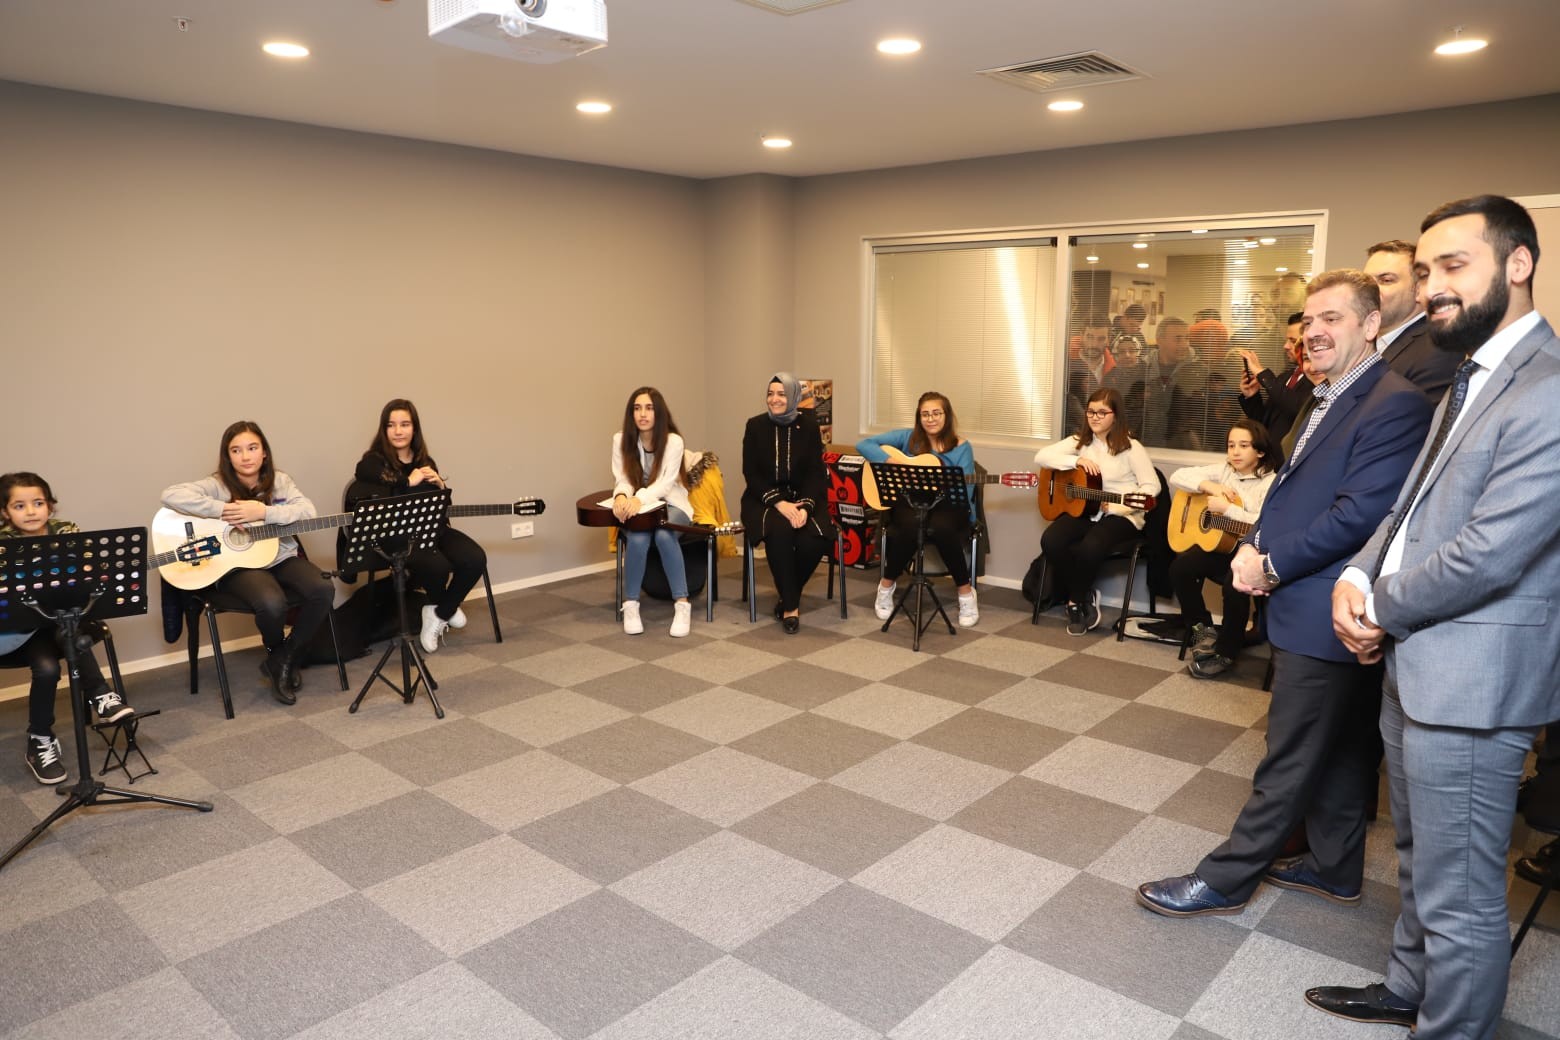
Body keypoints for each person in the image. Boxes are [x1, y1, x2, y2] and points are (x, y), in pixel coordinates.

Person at [1316, 196, 1560, 1040]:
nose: (1431, 288)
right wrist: (1356, 573)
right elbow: (1409, 507)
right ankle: (1408, 988)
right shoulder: (1469, 374)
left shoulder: (1548, 389)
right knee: (1420, 855)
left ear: (1518, 264)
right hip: (1417, 659)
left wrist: (1377, 607)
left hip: (1472, 678)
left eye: (1453, 266)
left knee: (1462, 893)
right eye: (1424, 272)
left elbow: (1490, 554)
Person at [1136, 268, 1431, 921]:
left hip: (1330, 604)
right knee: (1346, 746)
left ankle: (1225, 880)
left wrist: (1269, 564)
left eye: (1333, 318)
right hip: (1310, 598)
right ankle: (1334, 866)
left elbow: (1360, 515)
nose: (1315, 331)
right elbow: (1296, 488)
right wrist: (1255, 544)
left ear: (1371, 324)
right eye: (1310, 319)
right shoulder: (1328, 393)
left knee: (1288, 755)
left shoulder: (1393, 401)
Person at [161, 421, 333, 706]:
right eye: (236, 450)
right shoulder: (217, 485)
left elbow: (307, 511)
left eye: (252, 448)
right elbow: (170, 495)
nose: (245, 456)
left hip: (280, 556)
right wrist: (225, 510)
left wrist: (263, 512)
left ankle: (283, 658)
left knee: (323, 589)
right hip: (239, 565)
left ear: (264, 452)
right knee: (272, 602)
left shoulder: (280, 481)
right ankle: (277, 652)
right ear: (228, 456)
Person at [1, 472, 133, 785]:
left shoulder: (67, 531)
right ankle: (45, 735)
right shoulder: (4, 544)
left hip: (64, 622)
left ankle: (95, 698)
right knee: (48, 668)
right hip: (23, 632)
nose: (31, 511)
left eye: (38, 503)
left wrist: (90, 571)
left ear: (50, 506)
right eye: (19, 506)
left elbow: (91, 571)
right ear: (5, 512)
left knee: (69, 630)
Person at [349, 399, 489, 653]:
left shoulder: (426, 461)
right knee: (438, 566)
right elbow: (363, 471)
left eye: (405, 424)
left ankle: (438, 612)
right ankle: (446, 607)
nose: (398, 431)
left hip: (434, 528)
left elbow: (442, 506)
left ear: (414, 428)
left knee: (475, 558)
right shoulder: (375, 460)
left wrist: (441, 487)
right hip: (399, 537)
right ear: (384, 429)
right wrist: (407, 481)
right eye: (391, 425)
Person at [1033, 386, 1157, 636]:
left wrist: (1119, 506)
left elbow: (1152, 487)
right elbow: (1041, 457)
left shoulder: (1131, 447)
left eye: (1102, 412)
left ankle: (1075, 601)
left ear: (1115, 415)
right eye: (1090, 412)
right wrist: (1076, 460)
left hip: (1122, 515)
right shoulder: (1080, 442)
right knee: (1051, 540)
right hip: (1087, 510)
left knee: (1091, 545)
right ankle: (1084, 592)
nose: (1094, 417)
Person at [856, 391, 979, 628]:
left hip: (948, 506)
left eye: (936, 413)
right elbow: (863, 444)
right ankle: (886, 586)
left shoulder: (962, 447)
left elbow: (968, 487)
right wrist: (892, 462)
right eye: (925, 414)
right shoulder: (908, 438)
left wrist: (945, 482)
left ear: (947, 415)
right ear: (919, 417)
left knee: (942, 528)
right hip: (910, 502)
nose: (930, 419)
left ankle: (966, 593)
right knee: (911, 525)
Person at [1166, 419, 1276, 678]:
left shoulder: (1270, 482)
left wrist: (1228, 510)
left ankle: (1226, 652)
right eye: (1231, 445)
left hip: (1251, 553)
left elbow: (1265, 523)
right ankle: (1202, 629)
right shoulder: (1225, 471)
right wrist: (1210, 486)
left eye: (1244, 446)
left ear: (1260, 451)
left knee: (1234, 585)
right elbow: (1178, 476)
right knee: (1180, 568)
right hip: (1224, 549)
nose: (1235, 452)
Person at [741, 373, 834, 634]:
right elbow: (751, 474)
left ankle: (786, 594)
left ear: (793, 396)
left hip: (803, 497)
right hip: (764, 499)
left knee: (815, 538)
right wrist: (780, 504)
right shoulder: (755, 426)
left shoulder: (809, 426)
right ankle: (791, 607)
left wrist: (805, 506)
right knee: (779, 531)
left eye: (781, 394)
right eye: (770, 394)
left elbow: (816, 473)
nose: (775, 399)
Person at [608, 387, 693, 638]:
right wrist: (621, 496)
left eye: (649, 408)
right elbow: (623, 478)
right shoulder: (620, 440)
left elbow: (665, 484)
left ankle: (682, 604)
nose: (642, 414)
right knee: (637, 536)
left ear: (659, 412)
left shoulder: (674, 441)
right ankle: (631, 604)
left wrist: (638, 498)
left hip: (673, 505)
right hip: (640, 508)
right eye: (637, 408)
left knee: (664, 535)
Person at [1364, 238, 1461, 401]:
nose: (1370, 290)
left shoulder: (1440, 349)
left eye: (1386, 280)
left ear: (1418, 290)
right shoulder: (1361, 343)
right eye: (1366, 282)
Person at [1238, 311, 1312, 450]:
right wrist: (1252, 396)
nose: (1286, 346)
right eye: (1286, 340)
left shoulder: (1320, 379)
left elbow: (1297, 407)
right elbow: (1264, 421)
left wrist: (1262, 374)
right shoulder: (1285, 377)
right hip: (1271, 459)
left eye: (1293, 341)